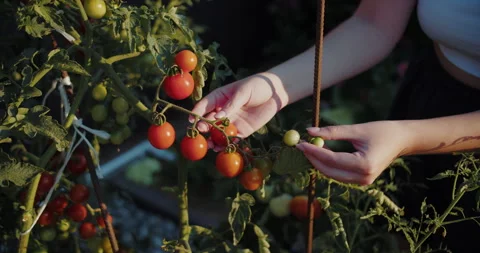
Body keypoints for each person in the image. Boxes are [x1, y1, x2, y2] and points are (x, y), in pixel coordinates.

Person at [190, 0, 480, 252]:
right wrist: (275, 87)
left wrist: (409, 137)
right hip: (431, 95)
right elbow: (373, 23)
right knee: (404, 231)